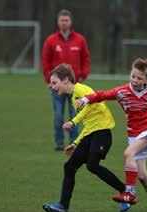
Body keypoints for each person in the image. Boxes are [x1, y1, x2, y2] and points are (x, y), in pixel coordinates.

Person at [76, 58, 147, 212]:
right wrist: (85, 99)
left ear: (146, 79)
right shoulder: (122, 92)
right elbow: (102, 95)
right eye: (133, 76)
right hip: (134, 134)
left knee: (128, 153)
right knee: (143, 176)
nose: (135, 81)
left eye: (139, 78)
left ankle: (130, 193)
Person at [42, 64, 125, 212]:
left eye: (54, 83)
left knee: (92, 165)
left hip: (102, 132)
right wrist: (74, 143)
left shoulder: (81, 89)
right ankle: (63, 206)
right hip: (91, 134)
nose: (52, 87)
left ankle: (125, 192)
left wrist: (73, 121)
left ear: (66, 80)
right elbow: (87, 124)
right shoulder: (74, 97)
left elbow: (91, 102)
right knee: (70, 166)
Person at [42, 9, 90, 151]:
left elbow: (86, 58)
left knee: (75, 115)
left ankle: (74, 143)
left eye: (66, 20)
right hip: (56, 87)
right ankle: (59, 142)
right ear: (58, 22)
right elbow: (45, 61)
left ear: (70, 22)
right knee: (58, 116)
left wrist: (83, 74)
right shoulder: (51, 40)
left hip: (74, 86)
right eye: (62, 20)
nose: (64, 22)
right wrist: (49, 80)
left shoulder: (80, 40)